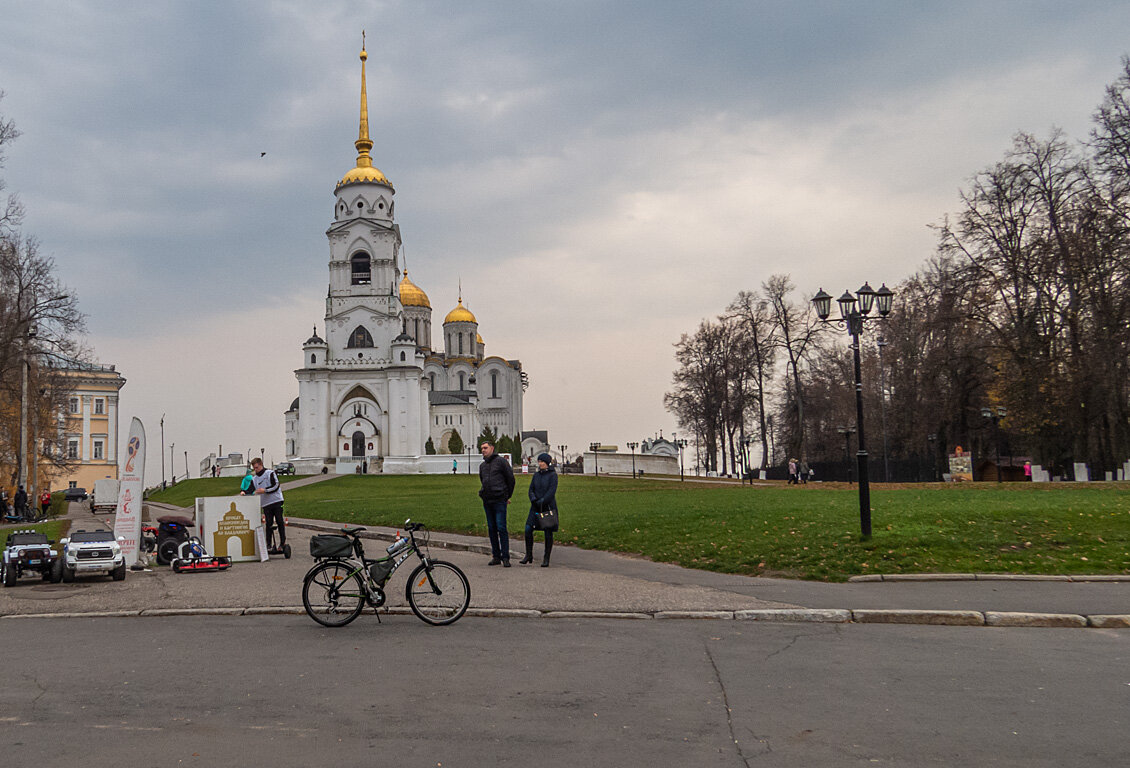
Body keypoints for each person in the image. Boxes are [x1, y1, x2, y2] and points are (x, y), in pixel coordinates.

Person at [478, 441, 515, 566]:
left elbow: (510, 479)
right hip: (487, 501)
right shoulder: (482, 466)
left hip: (499, 500)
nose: (483, 450)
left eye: (485, 448)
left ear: (492, 448)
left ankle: (505, 557)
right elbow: (483, 480)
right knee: (492, 528)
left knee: (501, 527)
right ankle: (496, 556)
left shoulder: (501, 462)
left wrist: (506, 496)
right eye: (482, 448)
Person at [521, 453, 558, 567]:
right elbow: (531, 489)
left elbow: (551, 491)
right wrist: (533, 499)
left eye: (542, 461)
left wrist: (542, 501)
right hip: (535, 506)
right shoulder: (536, 475)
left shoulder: (553, 475)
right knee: (528, 529)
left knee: (548, 532)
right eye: (539, 461)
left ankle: (546, 558)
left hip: (547, 507)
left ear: (547, 463)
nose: (540, 463)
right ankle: (528, 554)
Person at [250, 457, 287, 554]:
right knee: (268, 523)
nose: (256, 470)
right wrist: (243, 492)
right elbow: (250, 489)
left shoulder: (270, 473)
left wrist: (265, 490)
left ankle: (282, 543)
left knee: (279, 520)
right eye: (254, 468)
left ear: (261, 465)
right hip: (266, 504)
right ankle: (269, 544)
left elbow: (276, 485)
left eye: (257, 467)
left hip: (276, 501)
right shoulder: (254, 479)